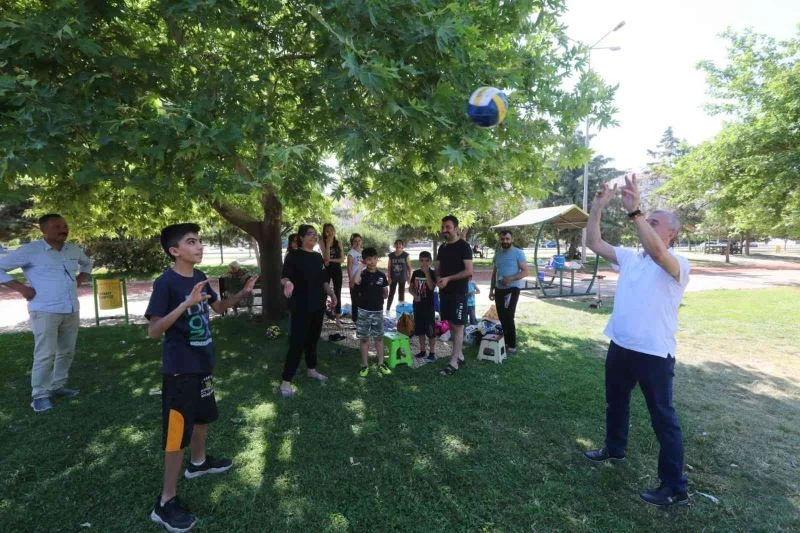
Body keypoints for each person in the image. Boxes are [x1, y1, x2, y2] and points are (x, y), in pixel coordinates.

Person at [582, 175, 691, 507]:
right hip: (620, 346)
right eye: (646, 219)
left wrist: (635, 211)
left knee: (663, 418)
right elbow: (593, 243)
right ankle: (615, 448)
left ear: (670, 234)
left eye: (654, 221)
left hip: (654, 355)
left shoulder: (678, 263)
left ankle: (674, 486)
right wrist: (598, 207)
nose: (645, 223)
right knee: (616, 403)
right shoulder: (630, 256)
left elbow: (659, 254)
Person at [145, 223, 259, 532]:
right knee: (176, 434)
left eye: (200, 241)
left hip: (203, 363)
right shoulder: (165, 283)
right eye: (192, 241)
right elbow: (154, 330)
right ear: (175, 250)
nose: (200, 246)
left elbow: (218, 308)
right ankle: (165, 501)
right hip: (180, 370)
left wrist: (242, 294)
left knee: (203, 418)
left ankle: (198, 463)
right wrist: (185, 304)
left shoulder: (198, 278)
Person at [0, 214, 92, 413]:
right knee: (45, 354)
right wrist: (21, 289)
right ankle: (39, 396)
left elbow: (87, 263)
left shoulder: (73, 249)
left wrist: (81, 278)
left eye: (65, 225)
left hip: (71, 309)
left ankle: (57, 385)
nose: (63, 229)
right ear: (43, 230)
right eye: (57, 226)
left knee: (67, 351)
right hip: (44, 311)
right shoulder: (31, 250)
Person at [280, 224, 337, 398]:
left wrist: (332, 294)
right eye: (310, 234)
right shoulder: (293, 256)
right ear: (302, 237)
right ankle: (286, 381)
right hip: (300, 306)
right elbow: (284, 277)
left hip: (317, 305)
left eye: (315, 234)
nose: (314, 237)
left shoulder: (318, 257)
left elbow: (323, 280)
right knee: (297, 343)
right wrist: (288, 284)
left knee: (312, 340)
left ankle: (312, 370)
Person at [435, 215, 473, 376]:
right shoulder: (442, 248)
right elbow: (437, 268)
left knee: (458, 326)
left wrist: (449, 279)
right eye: (443, 227)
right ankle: (460, 355)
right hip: (445, 293)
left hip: (459, 293)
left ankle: (454, 362)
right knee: (450, 323)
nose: (444, 230)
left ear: (456, 228)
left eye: (448, 227)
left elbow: (468, 271)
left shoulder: (464, 246)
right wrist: (438, 280)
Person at [352, 247, 392, 377]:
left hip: (378, 312)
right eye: (369, 259)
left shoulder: (381, 275)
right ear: (365, 261)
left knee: (378, 338)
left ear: (377, 259)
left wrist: (385, 294)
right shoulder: (362, 274)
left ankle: (381, 363)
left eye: (374, 258)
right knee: (364, 339)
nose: (372, 261)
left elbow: (385, 293)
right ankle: (364, 365)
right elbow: (355, 282)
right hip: (363, 311)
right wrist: (360, 267)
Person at [488, 230, 529, 354]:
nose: (505, 241)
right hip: (499, 289)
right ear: (499, 240)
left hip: (512, 289)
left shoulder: (518, 253)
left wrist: (510, 278)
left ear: (512, 239)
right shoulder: (498, 254)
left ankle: (512, 346)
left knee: (508, 316)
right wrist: (491, 289)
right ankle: (505, 341)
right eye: (502, 239)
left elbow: (526, 272)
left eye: (507, 239)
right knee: (501, 316)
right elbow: (495, 273)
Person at [409, 251, 438, 363]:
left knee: (430, 330)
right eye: (422, 260)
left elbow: (431, 287)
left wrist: (427, 274)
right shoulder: (415, 273)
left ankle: (432, 352)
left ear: (430, 261)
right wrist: (414, 295)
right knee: (420, 329)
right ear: (419, 261)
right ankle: (422, 350)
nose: (424, 263)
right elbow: (411, 288)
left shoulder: (432, 273)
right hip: (417, 305)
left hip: (428, 306)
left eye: (426, 261)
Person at [321, 223, 344, 322]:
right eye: (327, 231)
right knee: (324, 292)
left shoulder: (338, 242)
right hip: (327, 270)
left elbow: (342, 259)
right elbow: (326, 261)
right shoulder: (322, 241)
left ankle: (337, 319)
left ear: (334, 230)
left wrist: (332, 260)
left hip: (337, 269)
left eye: (331, 230)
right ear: (324, 232)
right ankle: (322, 316)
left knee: (337, 292)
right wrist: (328, 245)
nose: (329, 232)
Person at [386, 239, 411, 313]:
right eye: (396, 244)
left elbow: (410, 268)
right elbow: (389, 268)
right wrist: (389, 278)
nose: (398, 245)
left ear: (402, 246)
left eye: (400, 244)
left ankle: (400, 310)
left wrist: (409, 278)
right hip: (393, 278)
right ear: (394, 245)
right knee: (391, 293)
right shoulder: (391, 255)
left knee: (401, 294)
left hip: (402, 278)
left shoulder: (406, 255)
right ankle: (387, 309)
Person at [346, 233, 364, 324]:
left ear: (361, 241)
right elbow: (349, 267)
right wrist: (351, 280)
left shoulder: (364, 251)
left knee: (364, 298)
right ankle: (355, 318)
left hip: (364, 278)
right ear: (352, 243)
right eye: (355, 241)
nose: (357, 242)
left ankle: (363, 317)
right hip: (354, 278)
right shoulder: (351, 253)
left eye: (359, 240)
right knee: (355, 299)